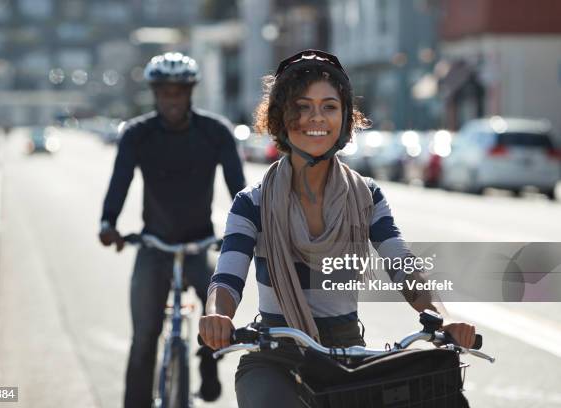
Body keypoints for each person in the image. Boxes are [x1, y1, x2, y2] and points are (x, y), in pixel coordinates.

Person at [199, 49, 476, 407]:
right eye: (303, 106)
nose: (317, 117)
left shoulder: (367, 197)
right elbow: (227, 280)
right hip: (275, 353)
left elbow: (403, 265)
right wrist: (217, 316)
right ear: (281, 117)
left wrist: (445, 319)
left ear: (345, 118)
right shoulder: (252, 203)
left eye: (329, 107)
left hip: (347, 355)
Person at [99, 52, 246, 407]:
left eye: (178, 91)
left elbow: (238, 189)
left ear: (190, 92)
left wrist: (246, 231)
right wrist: (109, 223)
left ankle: (208, 369)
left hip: (199, 242)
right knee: (145, 337)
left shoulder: (216, 132)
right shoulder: (137, 134)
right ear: (154, 93)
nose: (171, 99)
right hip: (155, 244)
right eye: (164, 92)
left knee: (219, 320)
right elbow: (120, 182)